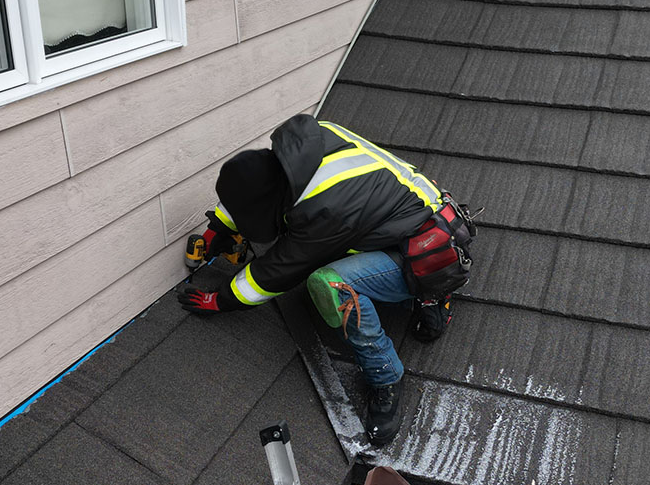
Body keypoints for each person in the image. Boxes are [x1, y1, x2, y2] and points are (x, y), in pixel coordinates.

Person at [177, 114, 461, 447]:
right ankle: (422, 291)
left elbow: (280, 269)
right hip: (410, 218)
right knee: (328, 249)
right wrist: (218, 228)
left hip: (428, 252)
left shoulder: (326, 210)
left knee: (333, 284)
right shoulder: (306, 142)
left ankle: (388, 375)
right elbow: (254, 188)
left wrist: (222, 299)